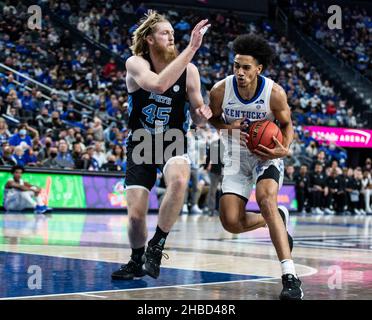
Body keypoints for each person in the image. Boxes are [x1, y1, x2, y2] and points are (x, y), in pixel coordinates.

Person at [111, 11, 212, 281]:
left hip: (172, 139)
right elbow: (157, 84)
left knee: (179, 181)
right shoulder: (135, 63)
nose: (171, 36)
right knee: (135, 217)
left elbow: (198, 114)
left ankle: (157, 245)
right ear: (149, 39)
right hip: (141, 141)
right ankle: (136, 260)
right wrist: (192, 47)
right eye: (165, 32)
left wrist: (202, 116)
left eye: (172, 33)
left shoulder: (190, 70)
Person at [208, 34, 303, 300]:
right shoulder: (219, 91)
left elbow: (286, 125)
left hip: (266, 155)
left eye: (246, 67)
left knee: (265, 198)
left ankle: (290, 276)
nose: (239, 72)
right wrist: (228, 128)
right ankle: (276, 219)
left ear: (259, 68)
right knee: (231, 222)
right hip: (236, 156)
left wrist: (284, 147)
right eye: (236, 65)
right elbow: (214, 120)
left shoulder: (274, 92)